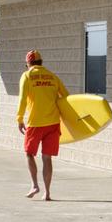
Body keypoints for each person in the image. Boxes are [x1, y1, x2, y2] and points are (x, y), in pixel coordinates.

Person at [16, 49, 69, 200]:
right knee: (47, 158)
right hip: (53, 123)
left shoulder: (27, 76)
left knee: (29, 153)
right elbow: (66, 97)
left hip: (35, 123)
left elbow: (22, 100)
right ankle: (47, 192)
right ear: (41, 62)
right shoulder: (52, 76)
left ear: (28, 63)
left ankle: (34, 185)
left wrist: (19, 119)